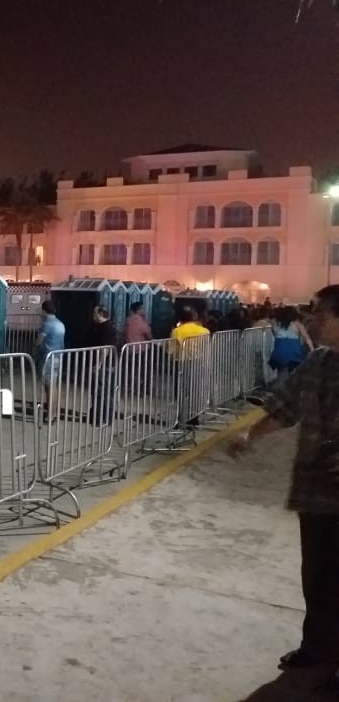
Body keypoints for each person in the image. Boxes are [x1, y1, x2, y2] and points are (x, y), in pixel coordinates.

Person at [226, 285, 339, 691]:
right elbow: (285, 407)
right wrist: (250, 435)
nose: (312, 321)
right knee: (318, 577)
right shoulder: (318, 363)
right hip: (316, 494)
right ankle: (318, 652)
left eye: (321, 314)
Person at [170, 306, 211, 427]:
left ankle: (181, 418)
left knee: (181, 392)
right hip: (199, 363)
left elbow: (171, 351)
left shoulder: (177, 331)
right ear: (194, 317)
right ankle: (194, 417)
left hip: (182, 363)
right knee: (196, 390)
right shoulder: (204, 331)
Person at [35, 300, 66, 424]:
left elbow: (39, 341)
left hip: (47, 357)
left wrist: (35, 350)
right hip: (58, 356)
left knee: (48, 386)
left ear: (44, 310)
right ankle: (55, 412)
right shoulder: (60, 324)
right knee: (54, 385)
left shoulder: (46, 324)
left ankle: (49, 414)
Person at [88, 306, 118, 426]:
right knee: (105, 392)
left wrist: (99, 364)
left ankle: (101, 418)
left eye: (94, 313)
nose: (93, 315)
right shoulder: (103, 327)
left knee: (100, 392)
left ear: (100, 314)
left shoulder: (107, 329)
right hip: (107, 364)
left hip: (104, 365)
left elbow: (105, 349)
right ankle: (105, 417)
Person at [269, 305, 314, 381]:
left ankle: (281, 385)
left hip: (279, 352)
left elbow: (274, 333)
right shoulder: (297, 324)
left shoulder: (276, 324)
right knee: (294, 374)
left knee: (281, 371)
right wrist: (312, 350)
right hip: (294, 352)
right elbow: (307, 338)